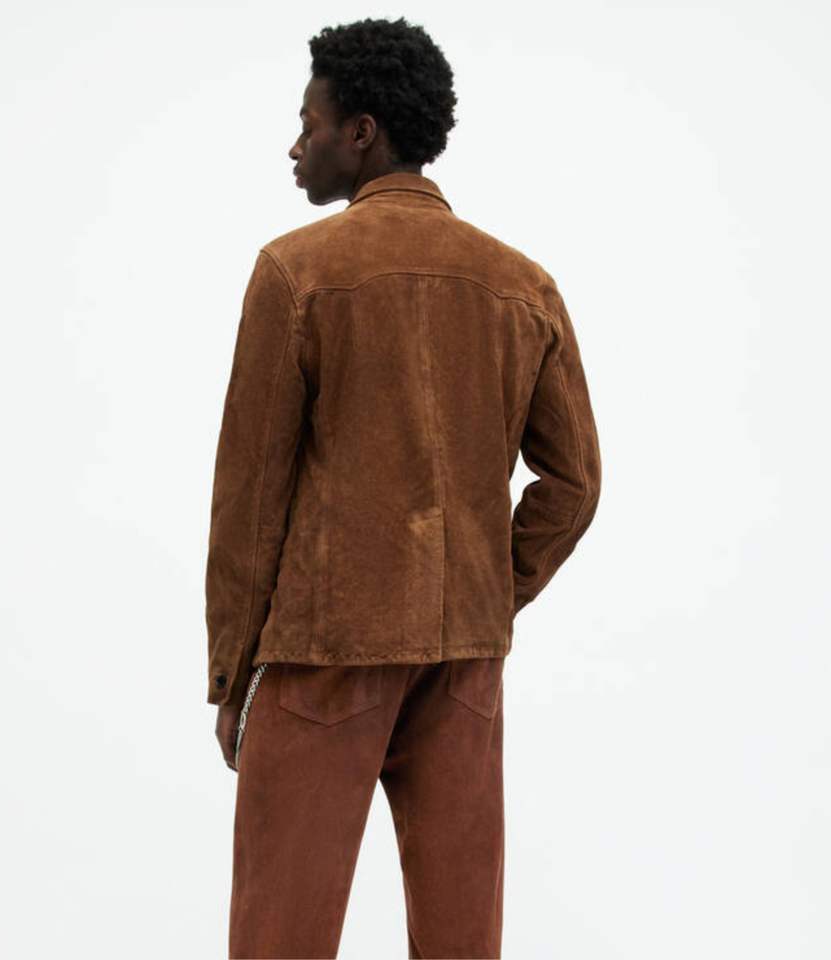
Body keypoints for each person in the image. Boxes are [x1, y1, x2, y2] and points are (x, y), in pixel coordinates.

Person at [204, 15, 602, 959]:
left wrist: (230, 673)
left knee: (279, 938)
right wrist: (488, 588)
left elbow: (249, 497)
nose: (294, 146)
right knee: (462, 939)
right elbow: (575, 481)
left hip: (322, 654)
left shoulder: (295, 272)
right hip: (464, 660)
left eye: (308, 123)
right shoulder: (524, 285)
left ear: (362, 131)